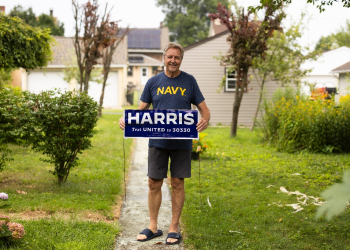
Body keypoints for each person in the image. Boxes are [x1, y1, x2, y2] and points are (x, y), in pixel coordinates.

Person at [119, 42, 210, 245]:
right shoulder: (153, 82)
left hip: (182, 143)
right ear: (164, 58)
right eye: (170, 57)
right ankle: (153, 227)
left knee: (177, 183)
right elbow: (141, 110)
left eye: (176, 57)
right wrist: (127, 120)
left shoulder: (190, 81)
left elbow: (204, 109)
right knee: (154, 183)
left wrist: (205, 119)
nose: (173, 60)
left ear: (181, 60)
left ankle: (174, 228)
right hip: (157, 141)